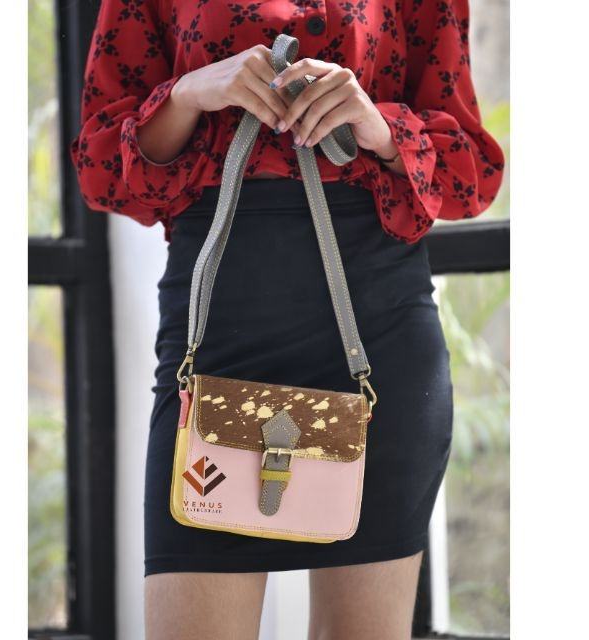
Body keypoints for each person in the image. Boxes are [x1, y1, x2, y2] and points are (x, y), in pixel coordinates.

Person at [71, 1, 504, 638]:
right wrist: (190, 93)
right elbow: (102, 168)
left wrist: (377, 127)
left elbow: (470, 174)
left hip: (377, 334)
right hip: (216, 334)